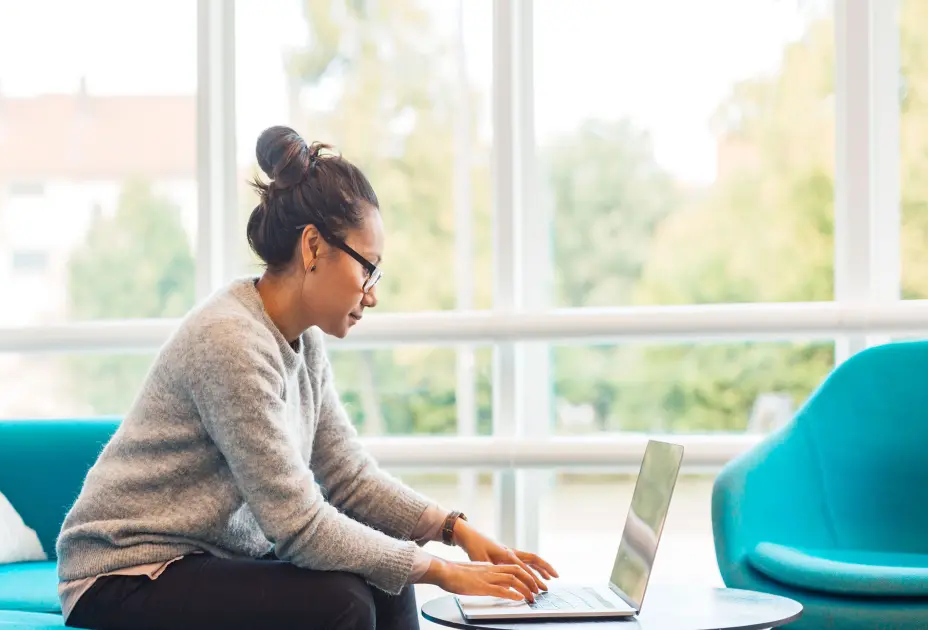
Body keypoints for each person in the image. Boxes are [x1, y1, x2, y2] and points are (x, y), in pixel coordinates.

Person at [56, 125, 558, 630]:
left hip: (202, 557)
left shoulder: (303, 338)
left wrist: (454, 530)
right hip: (125, 573)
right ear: (313, 247)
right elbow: (299, 526)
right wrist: (443, 572)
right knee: (345, 602)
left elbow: (348, 476)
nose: (373, 293)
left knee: (389, 580)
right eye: (369, 269)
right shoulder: (229, 342)